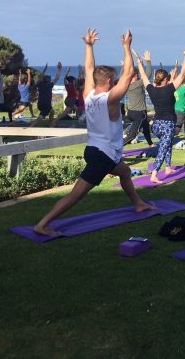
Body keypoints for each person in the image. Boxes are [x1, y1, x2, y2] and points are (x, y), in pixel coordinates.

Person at [33, 29, 155, 236]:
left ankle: (139, 203)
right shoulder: (110, 99)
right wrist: (127, 47)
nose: (116, 82)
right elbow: (128, 74)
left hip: (95, 149)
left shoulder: (88, 95)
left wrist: (89, 46)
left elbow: (89, 68)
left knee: (125, 172)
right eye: (113, 80)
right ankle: (43, 224)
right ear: (109, 82)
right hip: (103, 156)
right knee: (76, 195)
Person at [135, 44, 185, 184]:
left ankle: (168, 167)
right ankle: (154, 174)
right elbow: (183, 74)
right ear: (166, 79)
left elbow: (144, 77)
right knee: (164, 147)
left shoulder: (152, 90)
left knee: (168, 143)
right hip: (167, 124)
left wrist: (140, 63)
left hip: (156, 125)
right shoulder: (169, 89)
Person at [122, 51, 153, 146]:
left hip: (131, 112)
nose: (138, 76)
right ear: (133, 76)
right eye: (136, 75)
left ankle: (150, 143)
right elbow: (147, 75)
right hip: (139, 113)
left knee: (146, 127)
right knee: (132, 135)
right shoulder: (137, 84)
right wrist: (148, 61)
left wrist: (125, 66)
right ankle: (115, 148)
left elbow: (124, 75)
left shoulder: (126, 85)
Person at [31, 62, 62, 126]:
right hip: (46, 104)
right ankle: (31, 127)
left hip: (40, 104)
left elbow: (40, 77)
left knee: (52, 112)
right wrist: (59, 69)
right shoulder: (49, 85)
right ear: (48, 80)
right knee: (40, 117)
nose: (51, 80)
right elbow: (57, 78)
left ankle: (51, 124)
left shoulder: (40, 84)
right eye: (50, 79)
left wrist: (45, 69)